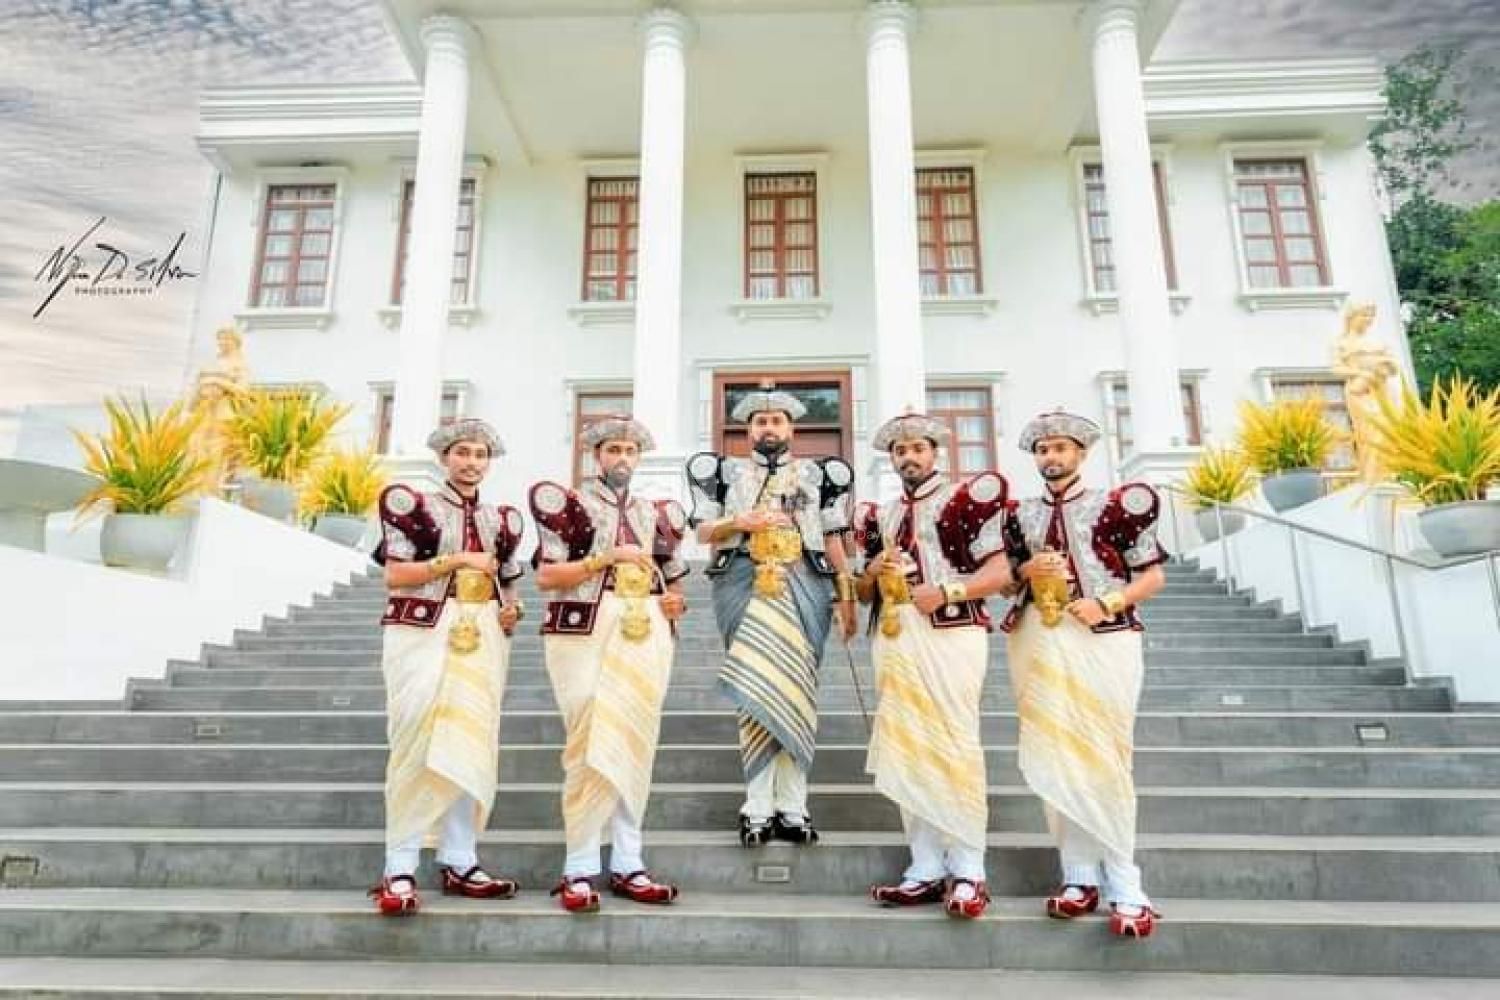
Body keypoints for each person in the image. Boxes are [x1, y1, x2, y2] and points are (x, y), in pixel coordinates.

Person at [1001, 410, 1168, 939]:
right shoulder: (1018, 514)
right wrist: (1025, 571)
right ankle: (1078, 876)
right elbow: (1005, 583)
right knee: (1055, 755)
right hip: (1038, 637)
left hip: (1105, 637)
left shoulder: (1116, 506)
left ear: (1081, 453)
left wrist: (1107, 602)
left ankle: (1125, 883)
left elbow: (1152, 577)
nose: (1051, 457)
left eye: (1060, 448)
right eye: (1043, 449)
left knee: (1106, 756)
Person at [854, 412, 1014, 919]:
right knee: (906, 747)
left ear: (935, 452)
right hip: (893, 636)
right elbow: (863, 594)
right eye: (900, 451)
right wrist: (872, 571)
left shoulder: (965, 501)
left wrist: (948, 591)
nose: (908, 457)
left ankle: (968, 869)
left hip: (952, 631)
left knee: (954, 741)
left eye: (917, 449)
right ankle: (924, 866)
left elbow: (1001, 572)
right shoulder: (880, 515)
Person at [530, 415, 689, 913]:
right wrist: (605, 558)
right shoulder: (569, 505)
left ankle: (628, 863)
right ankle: (578, 867)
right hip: (582, 631)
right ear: (596, 455)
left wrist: (674, 602)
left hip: (645, 632)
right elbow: (547, 577)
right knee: (587, 742)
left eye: (630, 450)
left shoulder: (655, 512)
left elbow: (673, 578)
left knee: (635, 741)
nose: (622, 458)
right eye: (613, 449)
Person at [685, 386, 857, 846]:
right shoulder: (723, 474)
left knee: (798, 692)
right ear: (748, 431)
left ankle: (794, 807)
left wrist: (847, 595)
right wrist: (740, 522)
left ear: (791, 429)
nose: (768, 428)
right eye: (760, 422)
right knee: (754, 688)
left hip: (806, 584)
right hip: (743, 581)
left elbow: (834, 537)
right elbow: (702, 531)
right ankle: (757, 806)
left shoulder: (819, 476)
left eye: (777, 421)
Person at [367, 418, 524, 916]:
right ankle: (399, 866)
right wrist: (455, 562)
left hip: (482, 638)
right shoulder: (413, 507)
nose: (471, 462)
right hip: (420, 631)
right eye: (463, 453)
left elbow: (508, 582)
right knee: (415, 741)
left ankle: (461, 859)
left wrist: (511, 609)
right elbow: (396, 575)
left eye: (480, 454)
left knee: (471, 743)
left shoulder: (503, 519)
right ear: (444, 458)